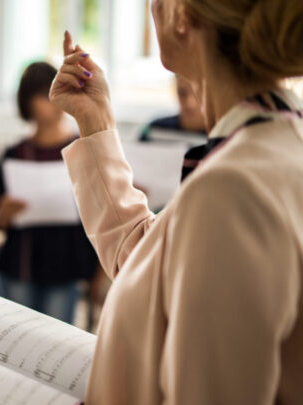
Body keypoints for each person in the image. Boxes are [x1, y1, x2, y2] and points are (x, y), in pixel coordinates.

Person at [49, 0, 303, 402]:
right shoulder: (270, 147)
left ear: (182, 15)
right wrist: (95, 121)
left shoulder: (233, 189)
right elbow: (155, 271)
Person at [0, 62, 97, 323]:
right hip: (20, 264)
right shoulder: (14, 154)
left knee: (57, 350)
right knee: (14, 345)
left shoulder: (82, 150)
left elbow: (97, 213)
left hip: (65, 265)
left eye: (56, 91)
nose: (52, 101)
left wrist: (99, 273)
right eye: (42, 95)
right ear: (27, 102)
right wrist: (2, 213)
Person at [139, 74, 207, 142]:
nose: (190, 103)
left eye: (198, 93)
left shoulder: (216, 136)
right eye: (182, 92)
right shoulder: (155, 128)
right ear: (174, 91)